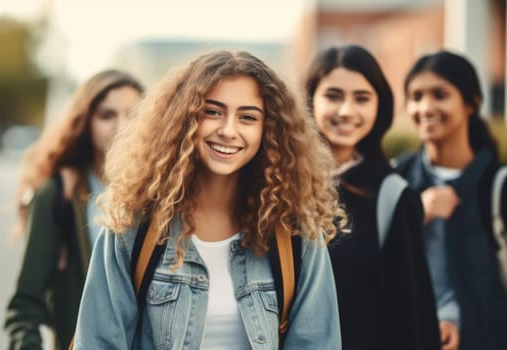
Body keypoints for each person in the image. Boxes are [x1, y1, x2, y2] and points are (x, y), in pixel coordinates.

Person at [72, 50, 345, 349]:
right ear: (183, 119)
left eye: (248, 117)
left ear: (270, 129)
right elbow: (98, 342)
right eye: (212, 112)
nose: (228, 130)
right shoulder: (132, 226)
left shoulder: (295, 234)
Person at [305, 45, 440, 350]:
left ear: (380, 106)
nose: (346, 111)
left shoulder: (392, 195)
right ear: (309, 99)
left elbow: (411, 317)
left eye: (361, 98)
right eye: (333, 95)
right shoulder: (277, 185)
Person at [4, 69, 145, 350]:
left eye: (133, 115)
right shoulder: (59, 194)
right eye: (107, 115)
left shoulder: (164, 195)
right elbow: (26, 305)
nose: (121, 126)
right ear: (86, 122)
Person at [395, 50, 507, 350]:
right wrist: (416, 213)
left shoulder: (498, 185)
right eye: (416, 96)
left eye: (440, 95)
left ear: (472, 103)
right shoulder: (395, 179)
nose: (426, 107)